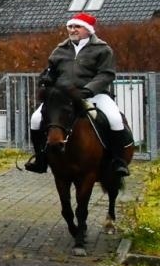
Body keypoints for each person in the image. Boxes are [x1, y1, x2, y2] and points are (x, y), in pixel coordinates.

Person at [24, 11, 132, 177]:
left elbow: (106, 74)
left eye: (77, 27)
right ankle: (41, 159)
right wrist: (46, 79)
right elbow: (51, 70)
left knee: (115, 119)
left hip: (94, 94)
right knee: (36, 118)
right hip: (63, 97)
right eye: (70, 26)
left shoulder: (102, 49)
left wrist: (88, 90)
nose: (72, 30)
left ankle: (118, 161)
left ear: (88, 30)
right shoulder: (59, 50)